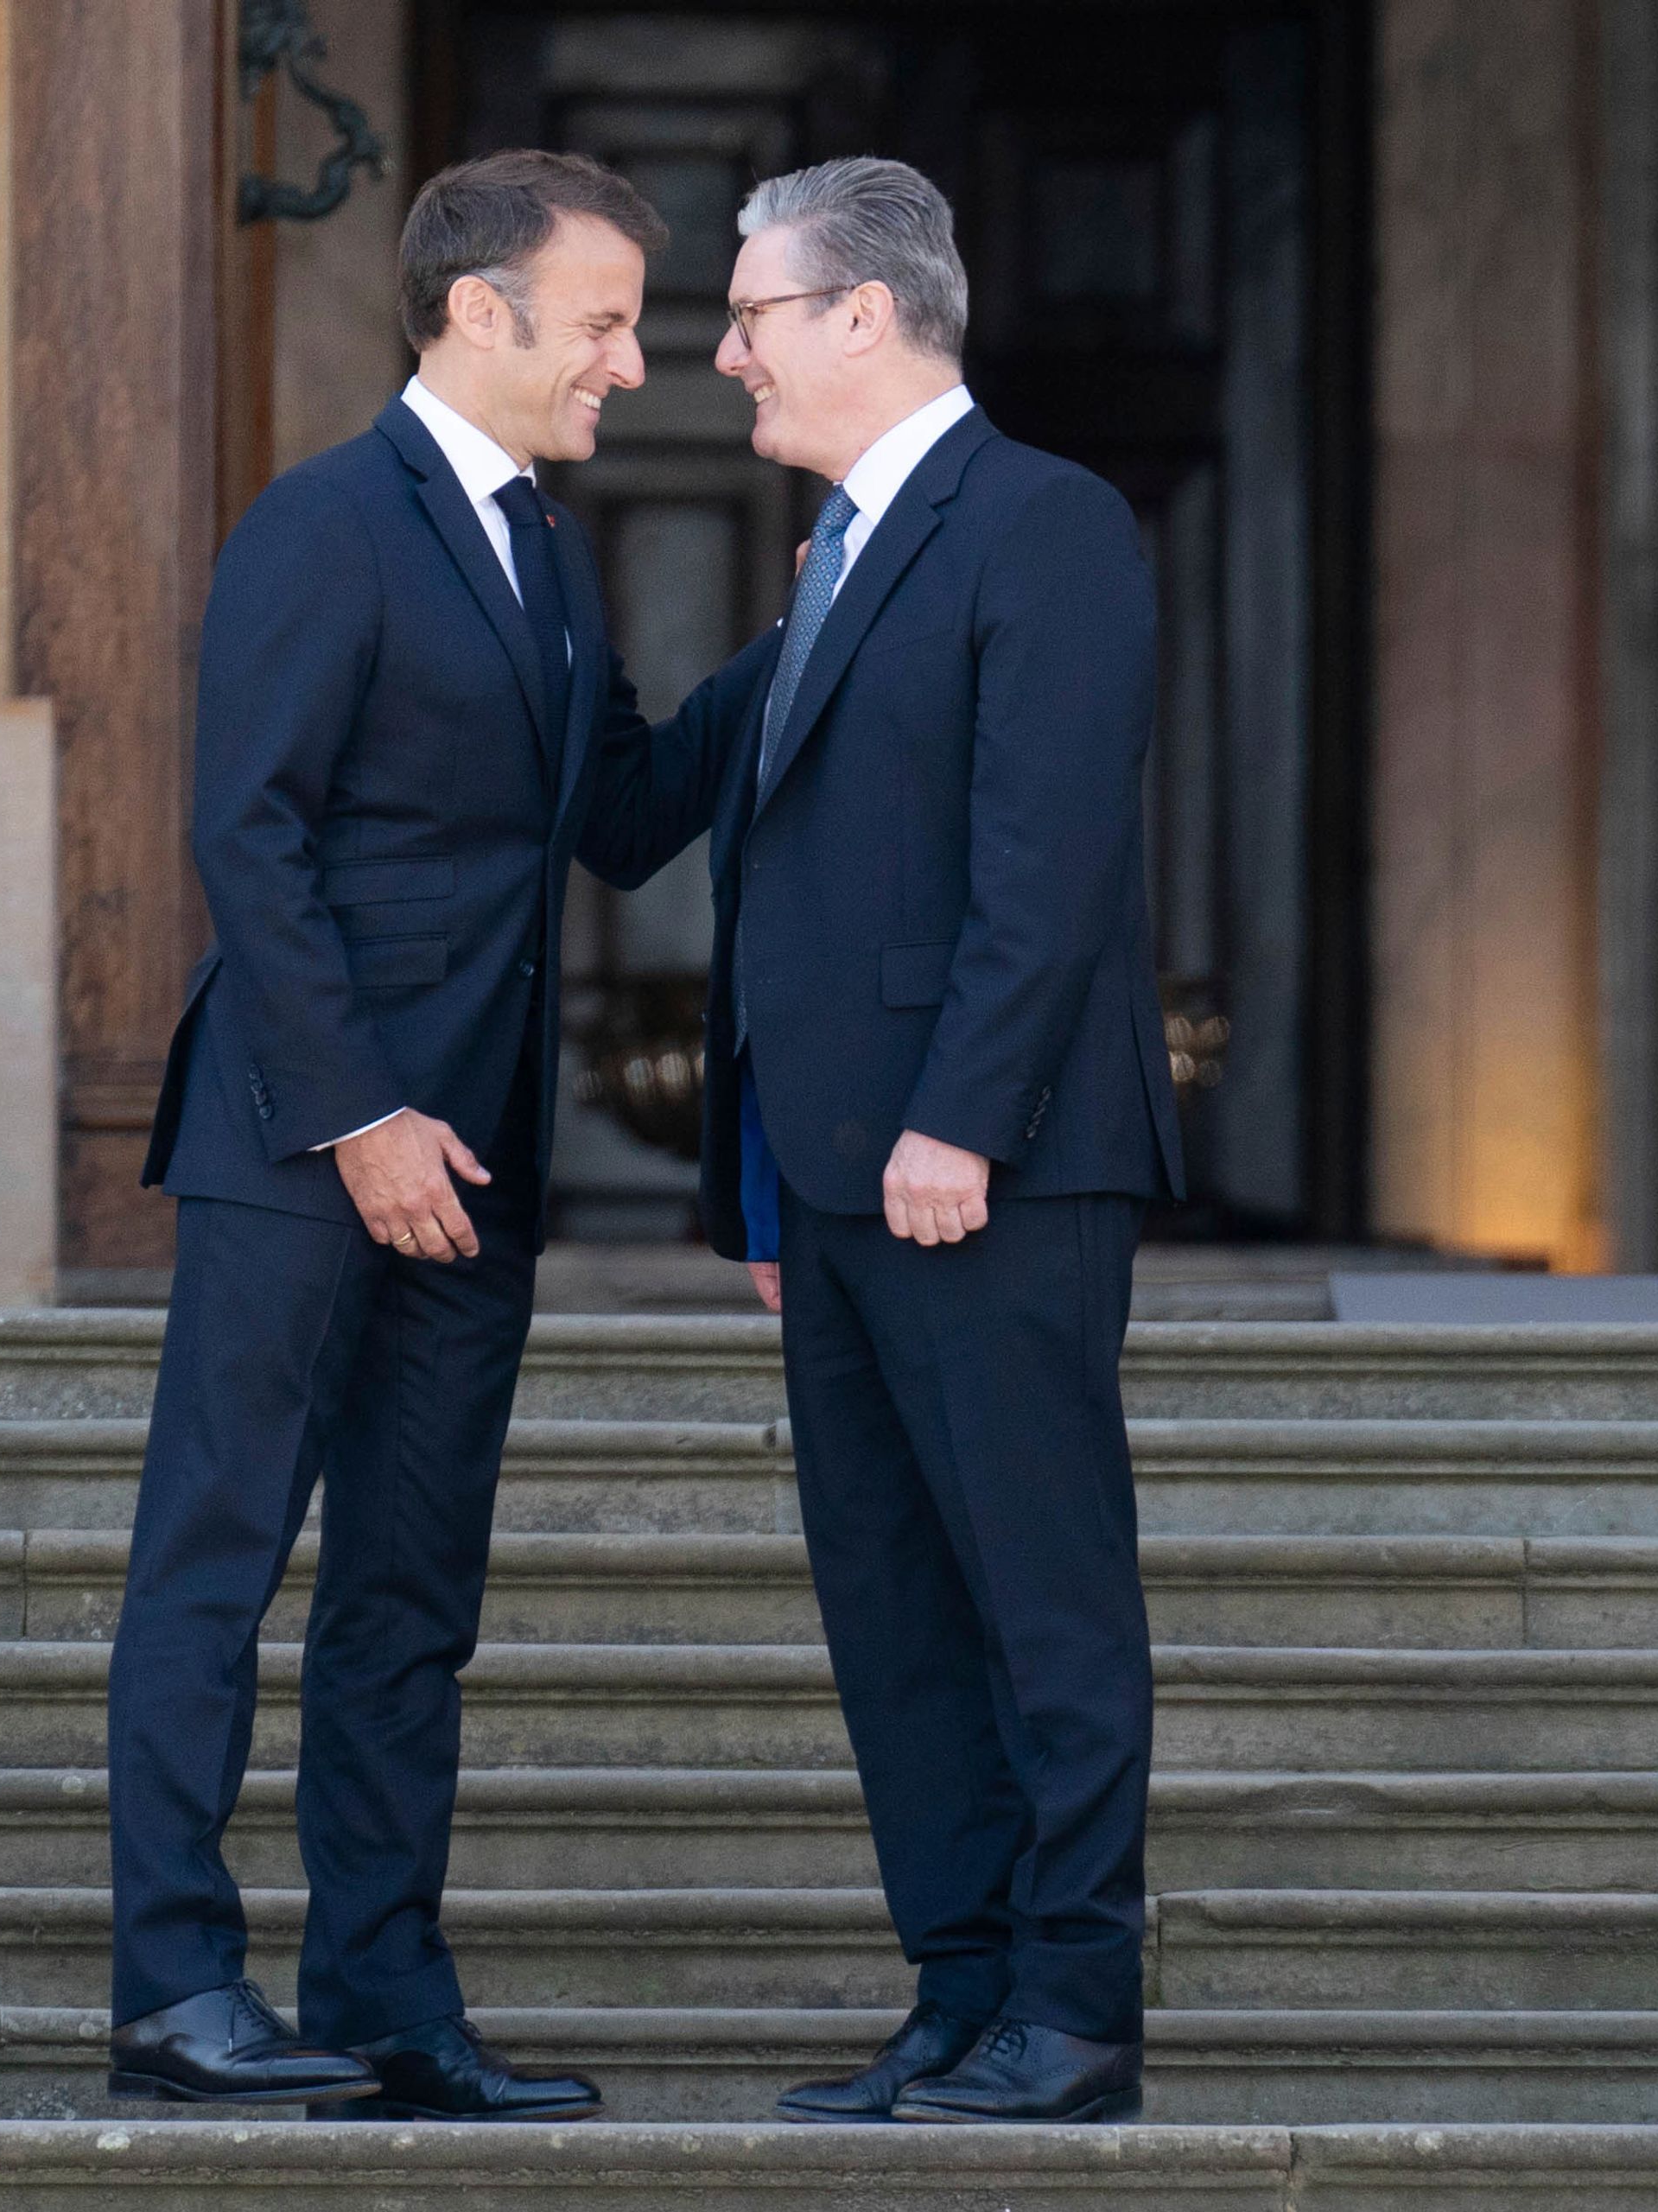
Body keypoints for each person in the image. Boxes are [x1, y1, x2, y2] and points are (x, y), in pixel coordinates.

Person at [593, 156, 1185, 2124]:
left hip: (978, 1169)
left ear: (864, 314)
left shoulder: (1048, 524)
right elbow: (673, 802)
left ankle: (1074, 2011)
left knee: (1039, 1592)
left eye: (751, 312)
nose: (723, 351)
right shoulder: (840, 562)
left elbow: (1049, 861)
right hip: (831, 1189)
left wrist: (962, 1121)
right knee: (894, 1610)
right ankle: (959, 1990)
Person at [101, 149, 677, 2121]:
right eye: (599, 317)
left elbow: (618, 811)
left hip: (480, 1163)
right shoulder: (324, 522)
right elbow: (247, 832)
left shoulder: (552, 548)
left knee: (412, 1590)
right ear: (480, 310)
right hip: (302, 1136)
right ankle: (175, 1988)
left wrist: (832, 622)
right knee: (217, 1555)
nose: (630, 359)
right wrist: (360, 1116)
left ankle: (382, 1992)